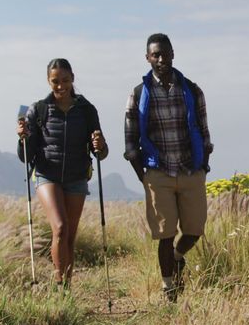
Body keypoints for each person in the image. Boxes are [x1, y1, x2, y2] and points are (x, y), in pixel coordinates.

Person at [124, 33, 213, 302]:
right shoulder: (139, 93)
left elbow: (204, 130)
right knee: (165, 234)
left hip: (189, 169)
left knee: (195, 230)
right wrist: (145, 176)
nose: (161, 59)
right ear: (148, 57)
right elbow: (130, 140)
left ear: (173, 53)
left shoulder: (192, 90)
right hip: (158, 171)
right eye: (155, 55)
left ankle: (177, 257)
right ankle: (169, 287)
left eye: (165, 53)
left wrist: (203, 166)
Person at [17, 58, 108, 290]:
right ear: (48, 81)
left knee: (69, 237)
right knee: (59, 227)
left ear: (73, 79)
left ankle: (67, 288)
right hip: (47, 175)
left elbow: (101, 153)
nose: (60, 86)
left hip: (77, 176)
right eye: (55, 81)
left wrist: (100, 144)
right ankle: (60, 285)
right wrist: (23, 138)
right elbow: (25, 156)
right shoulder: (38, 110)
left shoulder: (87, 110)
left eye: (65, 80)